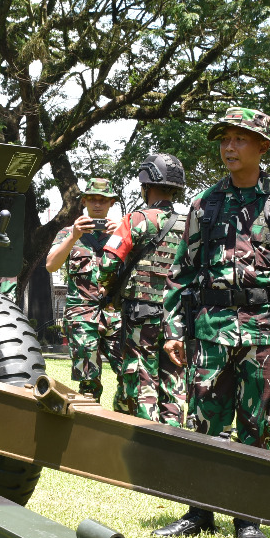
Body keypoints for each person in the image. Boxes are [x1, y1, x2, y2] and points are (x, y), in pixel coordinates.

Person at [158, 108, 270, 538]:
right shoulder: (205, 203)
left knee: (257, 423)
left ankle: (248, 518)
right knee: (206, 422)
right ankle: (200, 511)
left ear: (263, 147)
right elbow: (182, 272)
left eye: (241, 140)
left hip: (266, 334)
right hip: (211, 331)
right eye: (225, 139)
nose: (229, 147)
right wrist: (174, 328)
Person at [98, 153, 189, 423]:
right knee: (174, 380)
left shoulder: (135, 220)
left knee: (141, 377)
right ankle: (173, 438)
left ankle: (145, 441)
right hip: (178, 317)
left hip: (141, 315)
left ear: (145, 187)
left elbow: (107, 264)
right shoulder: (188, 224)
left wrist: (107, 289)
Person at [46, 178, 120, 402]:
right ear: (84, 201)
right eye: (93, 199)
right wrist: (73, 237)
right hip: (81, 315)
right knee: (88, 383)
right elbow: (51, 265)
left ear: (111, 203)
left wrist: (123, 236)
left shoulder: (122, 232)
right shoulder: (68, 233)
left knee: (131, 373)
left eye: (103, 200)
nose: (98, 204)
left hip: (116, 314)